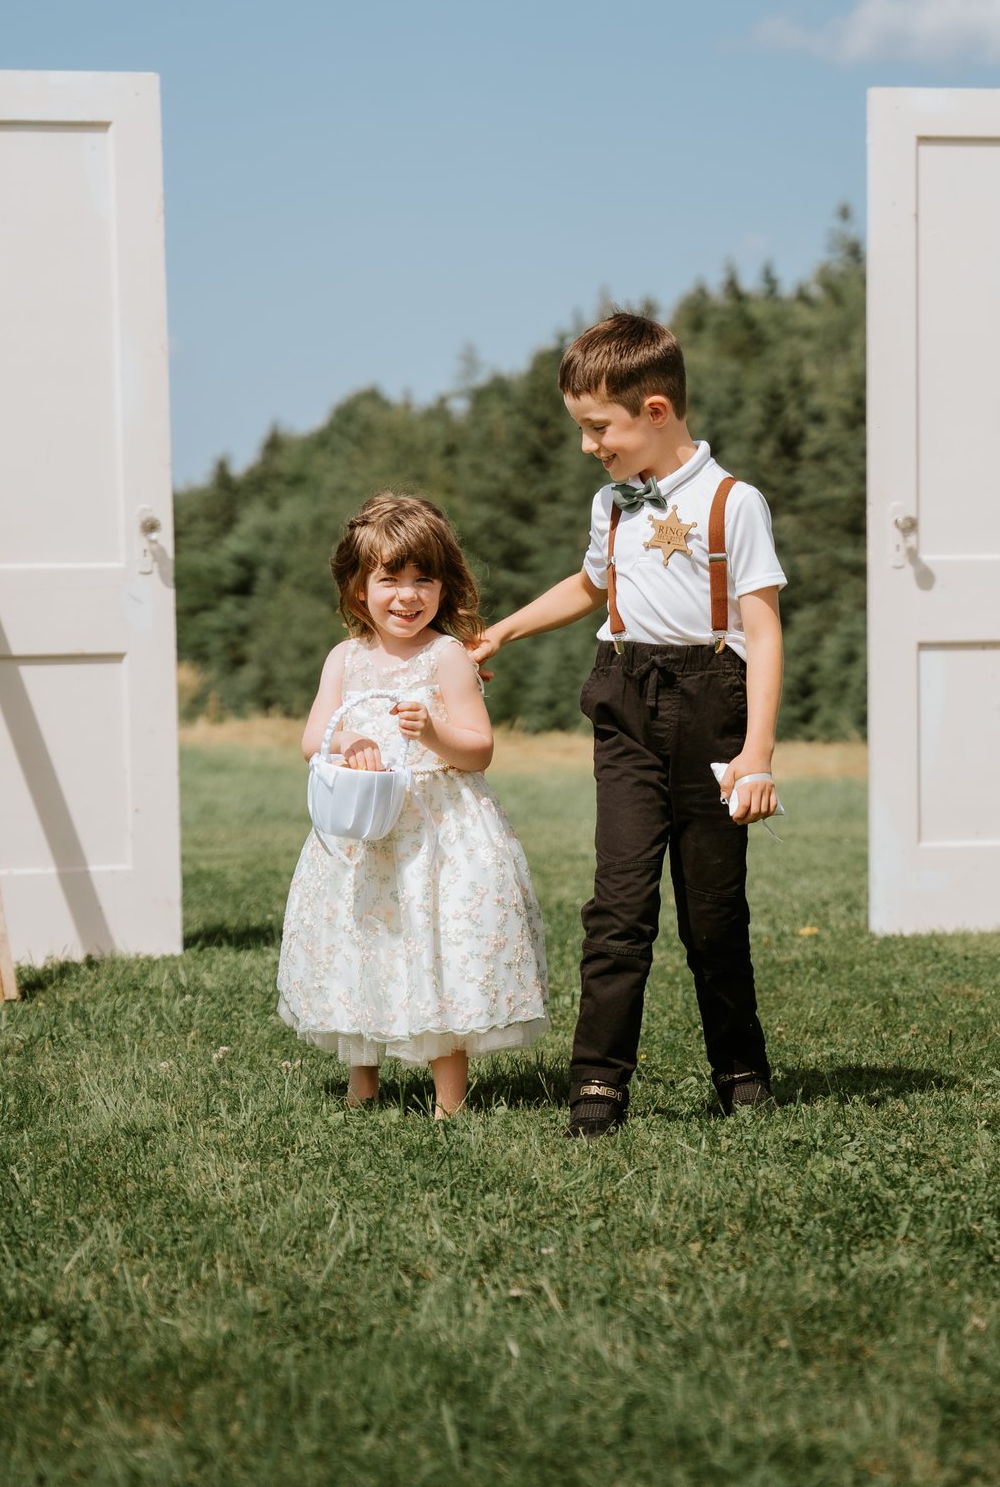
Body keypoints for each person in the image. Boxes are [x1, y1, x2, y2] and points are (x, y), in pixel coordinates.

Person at [469, 311, 785, 1137]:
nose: (588, 446)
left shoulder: (731, 502)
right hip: (625, 704)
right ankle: (599, 1085)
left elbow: (764, 630)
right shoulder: (612, 504)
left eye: (596, 427)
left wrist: (756, 752)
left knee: (713, 912)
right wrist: (504, 628)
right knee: (618, 906)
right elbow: (588, 586)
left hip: (716, 705)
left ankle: (741, 1070)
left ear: (653, 410)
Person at [278, 494, 549, 1117]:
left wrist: (430, 731)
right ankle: (361, 1083)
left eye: (423, 579)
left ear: (443, 586)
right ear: (357, 590)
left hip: (437, 829)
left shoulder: (446, 656)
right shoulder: (344, 659)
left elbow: (478, 749)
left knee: (435, 947)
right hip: (365, 829)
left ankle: (449, 1100)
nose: (407, 595)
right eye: (389, 580)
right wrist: (347, 741)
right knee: (363, 942)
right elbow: (312, 738)